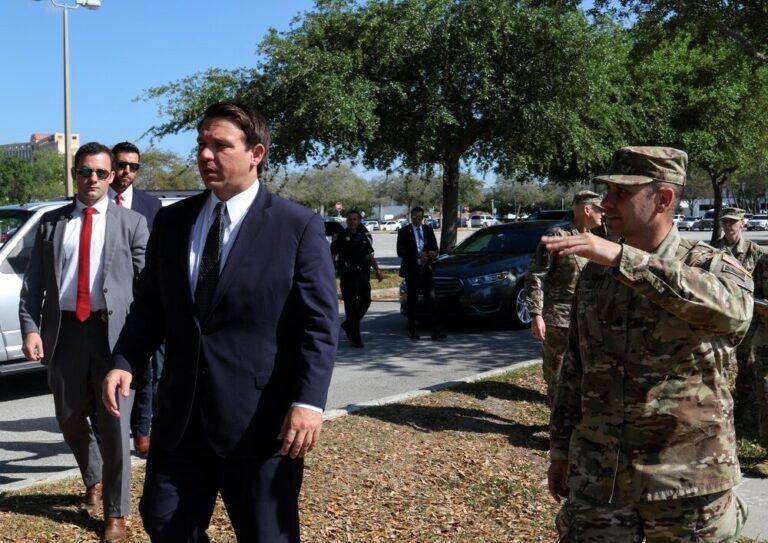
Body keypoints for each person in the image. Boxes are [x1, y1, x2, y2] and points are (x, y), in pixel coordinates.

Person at [102, 101, 338, 542]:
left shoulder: (297, 227)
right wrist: (125, 359)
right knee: (164, 521)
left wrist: (309, 402)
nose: (205, 155)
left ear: (257, 153)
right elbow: (151, 306)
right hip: (181, 420)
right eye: (201, 145)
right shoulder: (173, 222)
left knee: (267, 534)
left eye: (220, 146)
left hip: (259, 423)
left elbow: (319, 326)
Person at [543, 146, 753, 541]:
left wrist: (627, 260)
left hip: (686, 482)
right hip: (600, 479)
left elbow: (734, 312)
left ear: (664, 198)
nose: (606, 204)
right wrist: (560, 450)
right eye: (606, 192)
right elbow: (573, 368)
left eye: (621, 193)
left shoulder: (709, 264)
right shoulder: (594, 274)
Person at [19, 142, 149, 543]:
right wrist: (30, 327)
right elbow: (33, 286)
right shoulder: (52, 224)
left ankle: (116, 514)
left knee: (114, 425)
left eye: (100, 173)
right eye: (84, 171)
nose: (91, 179)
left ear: (112, 177)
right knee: (70, 418)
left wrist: (144, 341)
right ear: (74, 174)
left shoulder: (133, 224)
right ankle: (94, 476)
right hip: (65, 334)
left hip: (114, 337)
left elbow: (147, 290)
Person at [523, 190, 604, 404]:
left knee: (586, 373)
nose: (603, 214)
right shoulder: (558, 236)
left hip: (587, 318)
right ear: (587, 209)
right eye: (600, 209)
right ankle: (555, 429)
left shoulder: (596, 238)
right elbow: (536, 275)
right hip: (559, 318)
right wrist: (536, 314)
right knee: (557, 373)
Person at [108, 141, 162, 459]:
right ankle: (110, 433)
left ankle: (142, 432)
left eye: (133, 166)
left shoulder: (151, 205)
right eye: (122, 164)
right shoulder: (99, 201)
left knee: (147, 371)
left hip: (143, 298)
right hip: (108, 300)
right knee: (110, 368)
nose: (127, 171)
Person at [712, 206, 763, 437]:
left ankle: (745, 412)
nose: (728, 226)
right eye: (725, 222)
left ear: (742, 223)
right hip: (718, 317)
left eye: (733, 222)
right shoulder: (713, 250)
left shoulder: (754, 251)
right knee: (716, 365)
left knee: (747, 366)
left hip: (746, 319)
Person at [331, 209, 384, 348]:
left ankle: (349, 325)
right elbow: (332, 254)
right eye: (350, 219)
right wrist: (331, 272)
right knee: (351, 307)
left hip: (362, 275)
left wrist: (377, 270)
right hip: (348, 276)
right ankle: (356, 338)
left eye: (354, 219)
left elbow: (369, 255)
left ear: (359, 220)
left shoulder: (363, 235)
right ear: (346, 221)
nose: (352, 221)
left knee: (366, 301)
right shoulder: (341, 236)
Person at [397, 206, 446, 340]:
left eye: (419, 217)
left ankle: (436, 331)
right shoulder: (404, 232)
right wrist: (416, 255)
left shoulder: (428, 230)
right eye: (414, 217)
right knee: (412, 301)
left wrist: (433, 253)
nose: (417, 219)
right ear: (411, 217)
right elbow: (400, 252)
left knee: (431, 299)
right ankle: (412, 331)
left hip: (426, 270)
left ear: (423, 218)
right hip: (412, 271)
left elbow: (435, 248)